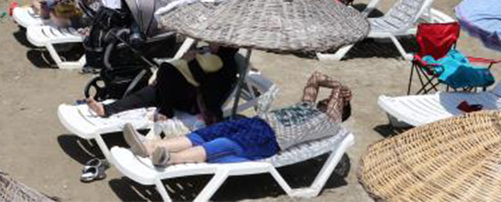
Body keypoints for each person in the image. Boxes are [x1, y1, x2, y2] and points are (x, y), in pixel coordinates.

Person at [124, 71, 351, 167]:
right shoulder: (307, 106)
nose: (322, 102)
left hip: (270, 138)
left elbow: (339, 96)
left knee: (222, 145)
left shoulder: (329, 121)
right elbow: (316, 77)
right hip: (256, 122)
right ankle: (151, 146)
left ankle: (169, 159)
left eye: (326, 102)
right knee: (206, 133)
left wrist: (341, 90)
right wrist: (336, 84)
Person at [88, 45, 240, 122]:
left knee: (166, 70)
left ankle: (166, 110)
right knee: (148, 93)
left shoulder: (227, 65)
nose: (210, 42)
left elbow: (205, 85)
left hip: (196, 103)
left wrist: (190, 60)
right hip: (181, 93)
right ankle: (106, 109)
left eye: (214, 41)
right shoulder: (212, 55)